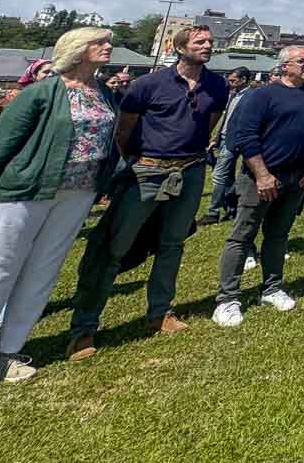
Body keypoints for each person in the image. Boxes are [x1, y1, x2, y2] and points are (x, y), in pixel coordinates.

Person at [67, 24, 229, 361]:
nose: (207, 46)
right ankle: (84, 328)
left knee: (172, 244)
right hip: (147, 170)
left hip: (190, 170)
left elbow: (208, 123)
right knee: (114, 246)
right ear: (178, 47)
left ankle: (160, 314)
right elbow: (124, 132)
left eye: (210, 42)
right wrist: (142, 161)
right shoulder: (147, 85)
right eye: (200, 41)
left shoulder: (216, 85)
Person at [0, 28, 119, 383]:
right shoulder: (42, 92)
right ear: (76, 50)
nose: (108, 47)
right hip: (25, 192)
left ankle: (6, 353)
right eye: (99, 42)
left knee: (43, 271)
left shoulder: (104, 93)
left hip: (78, 195)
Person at [210, 46, 304, 326]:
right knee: (243, 235)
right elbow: (245, 137)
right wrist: (262, 175)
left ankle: (272, 288)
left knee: (278, 234)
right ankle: (227, 299)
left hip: (296, 176)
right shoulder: (262, 95)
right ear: (284, 66)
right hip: (260, 177)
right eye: (302, 61)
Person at [198, 67, 253, 226]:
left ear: (244, 80)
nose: (230, 83)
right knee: (227, 177)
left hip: (234, 141)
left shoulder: (251, 96)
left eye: (234, 80)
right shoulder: (233, 95)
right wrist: (216, 138)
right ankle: (231, 207)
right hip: (223, 139)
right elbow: (226, 119)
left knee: (218, 175)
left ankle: (213, 212)